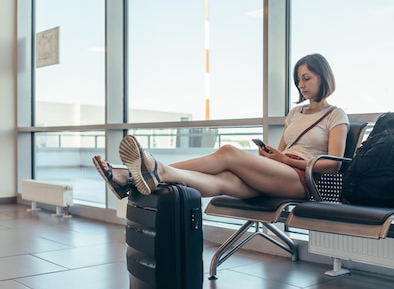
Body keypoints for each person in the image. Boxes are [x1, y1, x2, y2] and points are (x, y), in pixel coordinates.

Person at [93, 53, 349, 201]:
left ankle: (138, 174)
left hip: (304, 181)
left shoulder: (336, 115)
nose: (301, 85)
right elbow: (280, 153)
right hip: (280, 172)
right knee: (225, 181)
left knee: (228, 152)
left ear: (323, 78)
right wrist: (271, 155)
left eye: (307, 78)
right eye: (298, 80)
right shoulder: (295, 112)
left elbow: (334, 164)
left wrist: (285, 160)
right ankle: (149, 176)